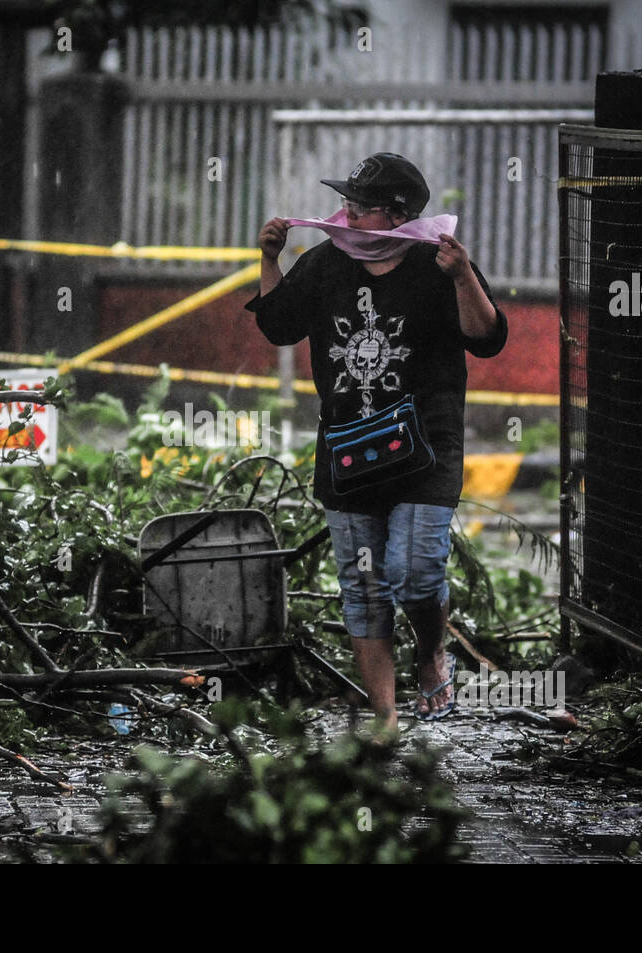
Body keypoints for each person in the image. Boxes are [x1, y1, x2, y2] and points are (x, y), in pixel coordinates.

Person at [247, 152, 508, 736]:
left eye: (360, 208)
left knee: (414, 574)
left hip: (426, 450)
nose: (346, 215)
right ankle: (386, 720)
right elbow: (278, 325)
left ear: (394, 216)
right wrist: (269, 259)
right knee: (364, 589)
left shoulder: (437, 262)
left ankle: (430, 651)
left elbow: (487, 338)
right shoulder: (322, 265)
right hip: (347, 450)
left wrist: (464, 274)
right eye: (348, 204)